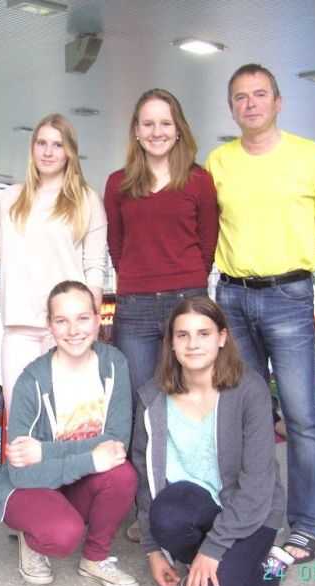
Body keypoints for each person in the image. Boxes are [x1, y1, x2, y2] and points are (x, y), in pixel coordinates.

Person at [205, 63, 315, 562]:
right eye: (241, 97)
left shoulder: (309, 155)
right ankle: (254, 516)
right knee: (245, 416)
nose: (251, 103)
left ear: (278, 102)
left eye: (260, 94)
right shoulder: (218, 162)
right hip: (232, 298)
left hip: (289, 297)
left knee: (301, 416)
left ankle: (308, 525)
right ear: (231, 108)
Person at [132, 296, 285, 586]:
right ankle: (217, 564)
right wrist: (153, 550)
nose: (193, 344)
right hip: (197, 507)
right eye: (182, 335)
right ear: (171, 343)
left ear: (222, 338)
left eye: (204, 333)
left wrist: (213, 549)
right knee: (167, 514)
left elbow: (256, 487)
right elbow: (145, 479)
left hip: (251, 513)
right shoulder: (152, 398)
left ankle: (273, 567)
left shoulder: (250, 390)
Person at [0, 281, 139, 586]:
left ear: (97, 319)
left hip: (72, 477)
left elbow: (115, 447)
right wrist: (91, 458)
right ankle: (30, 534)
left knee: (122, 475)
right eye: (62, 320)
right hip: (32, 486)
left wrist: (44, 452)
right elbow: (22, 472)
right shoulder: (32, 380)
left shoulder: (114, 364)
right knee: (62, 536)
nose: (74, 330)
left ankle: (95, 558)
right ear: (50, 325)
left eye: (83, 318)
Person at [104, 88, 218, 399]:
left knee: (192, 397)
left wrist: (186, 278)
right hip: (134, 307)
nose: (157, 132)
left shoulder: (200, 181)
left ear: (178, 129)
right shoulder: (118, 184)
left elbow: (207, 244)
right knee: (141, 400)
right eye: (148, 124)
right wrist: (138, 278)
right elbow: (116, 245)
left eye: (166, 124)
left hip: (188, 301)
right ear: (136, 130)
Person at [0, 114, 106, 409]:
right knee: (22, 416)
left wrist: (89, 326)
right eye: (41, 143)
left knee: (68, 417)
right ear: (32, 148)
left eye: (58, 144)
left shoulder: (87, 200)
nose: (48, 151)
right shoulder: (9, 199)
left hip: (68, 328)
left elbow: (95, 268)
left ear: (70, 152)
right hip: (19, 328)